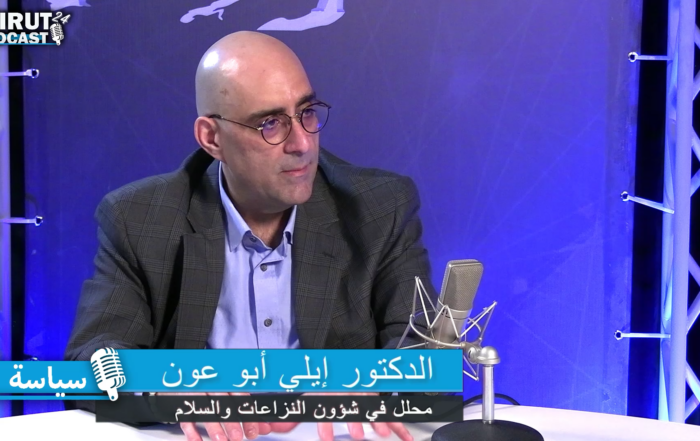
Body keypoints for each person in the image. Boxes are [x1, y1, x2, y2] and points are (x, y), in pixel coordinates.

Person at [65, 31, 436, 441]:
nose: (302, 143)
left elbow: (425, 355)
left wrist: (365, 382)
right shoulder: (140, 219)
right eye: (270, 123)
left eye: (307, 112)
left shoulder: (378, 208)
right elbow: (92, 360)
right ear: (212, 139)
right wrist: (164, 387)